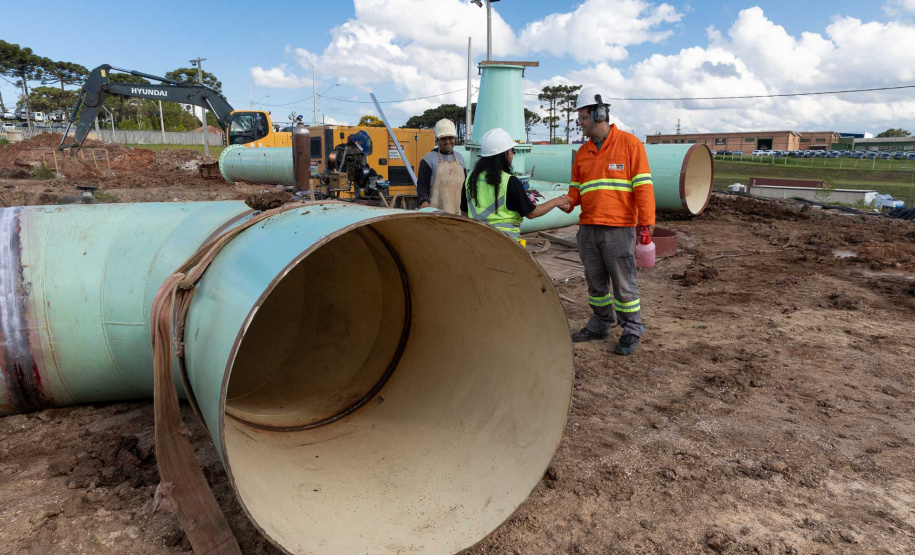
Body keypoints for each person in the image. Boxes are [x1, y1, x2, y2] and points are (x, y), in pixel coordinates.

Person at [561, 86, 656, 355]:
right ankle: (601, 323)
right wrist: (567, 201)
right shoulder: (582, 152)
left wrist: (646, 222)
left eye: (582, 117)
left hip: (619, 228)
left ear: (600, 113)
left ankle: (632, 328)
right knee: (595, 282)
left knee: (624, 283)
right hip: (589, 228)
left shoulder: (629, 144)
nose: (579, 123)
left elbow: (644, 187)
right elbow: (576, 189)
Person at [462, 128, 570, 242]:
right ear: (503, 155)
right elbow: (532, 213)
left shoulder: (471, 179)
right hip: (506, 246)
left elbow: (464, 213)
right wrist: (557, 201)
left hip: (477, 243)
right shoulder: (510, 181)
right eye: (512, 150)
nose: (513, 154)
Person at [417, 119, 465, 213]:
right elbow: (422, 185)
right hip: (436, 215)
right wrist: (424, 202)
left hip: (459, 214)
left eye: (450, 137)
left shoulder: (460, 158)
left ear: (454, 138)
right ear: (437, 139)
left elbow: (466, 189)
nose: (447, 141)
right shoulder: (428, 159)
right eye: (443, 138)